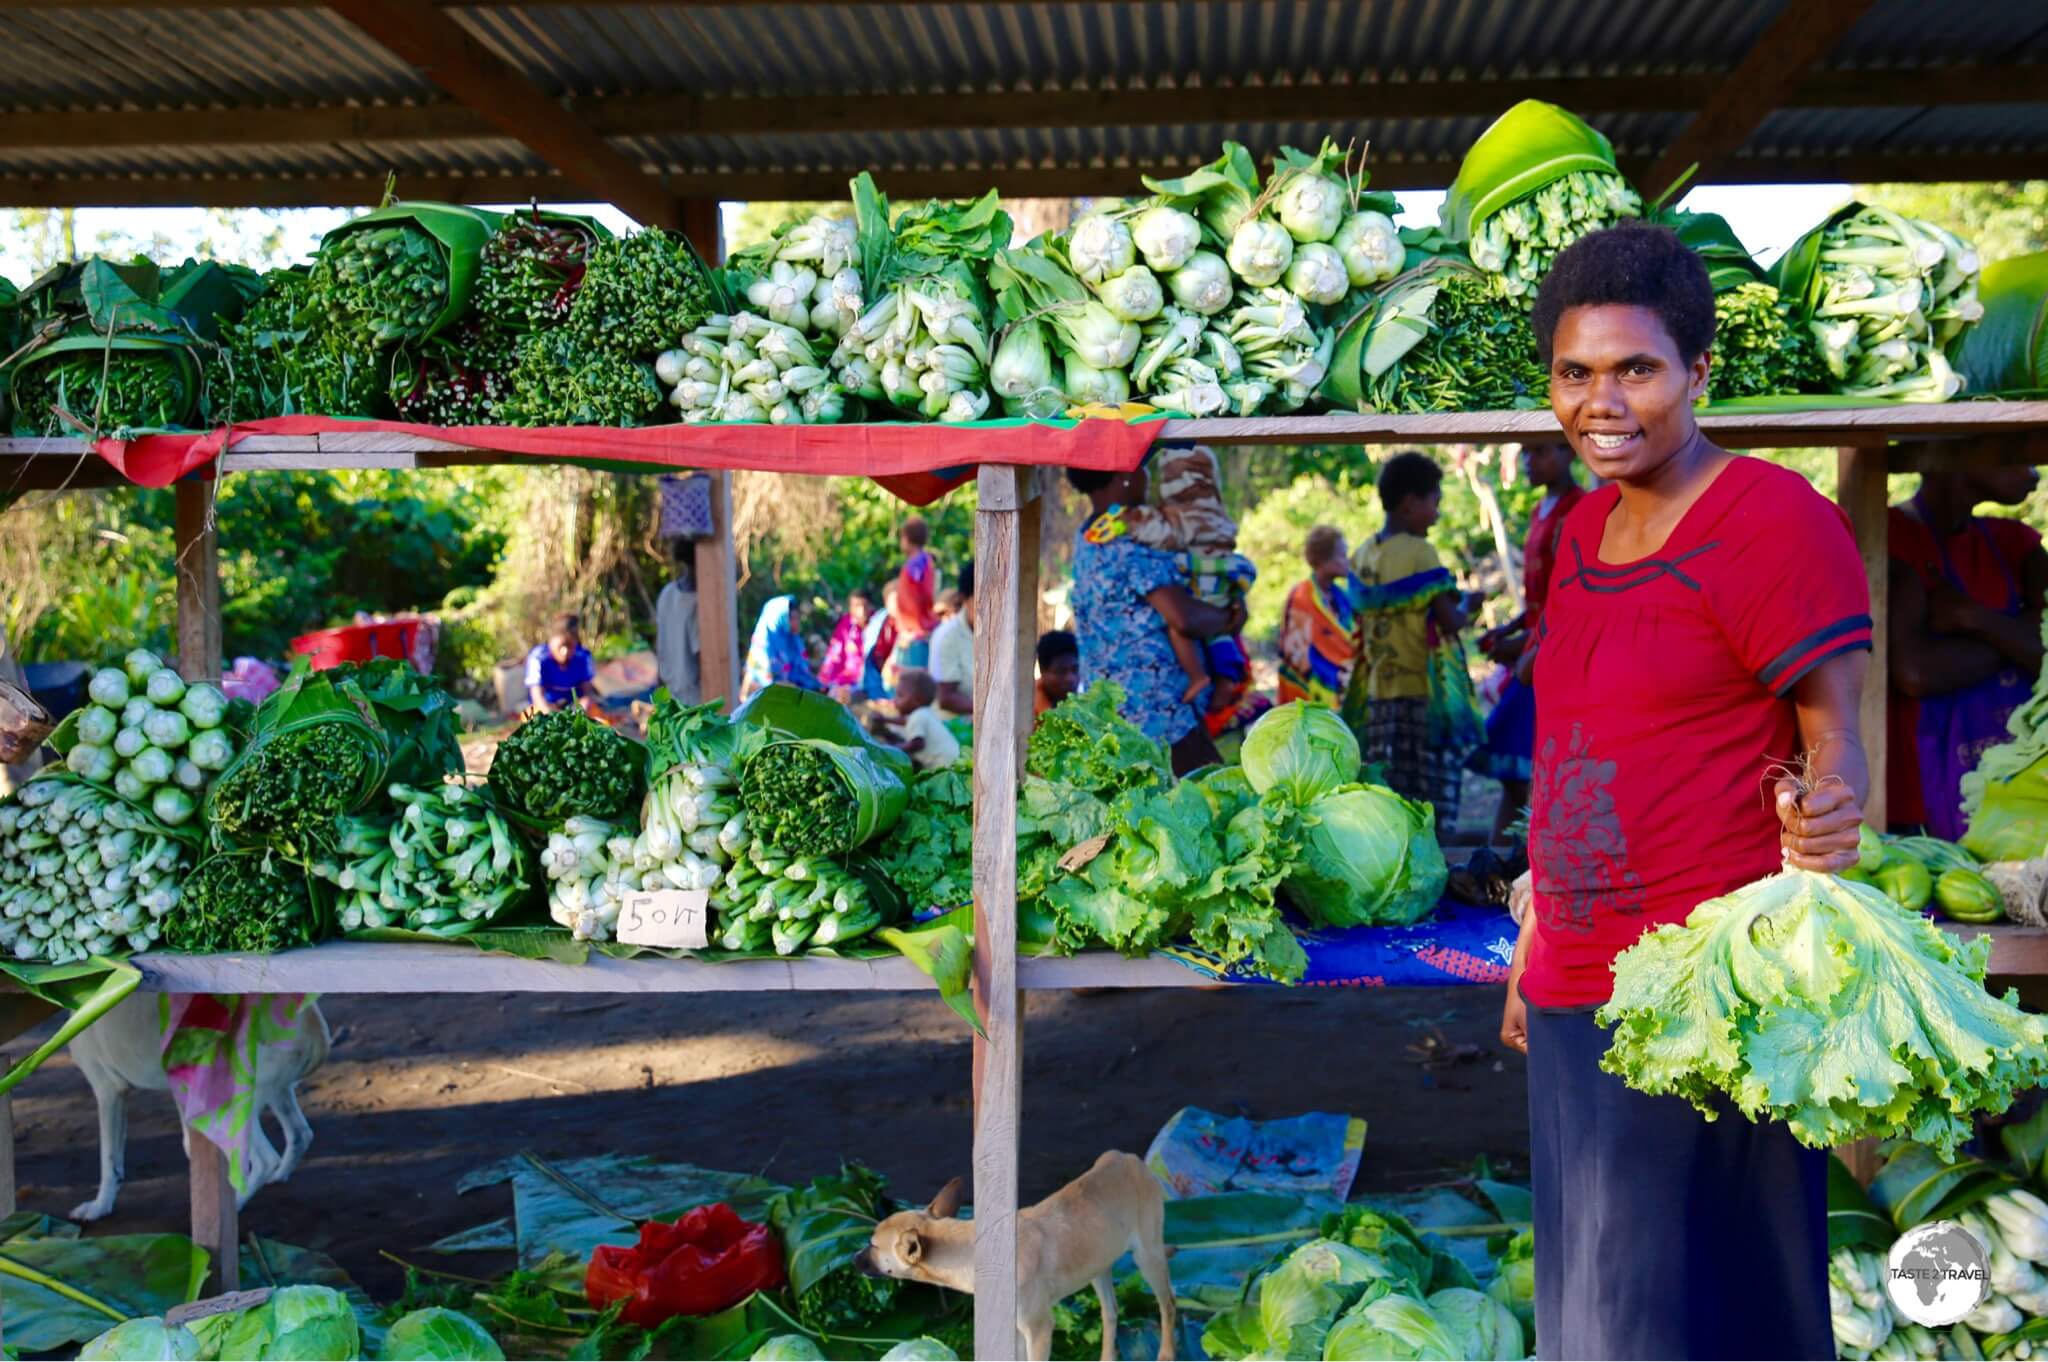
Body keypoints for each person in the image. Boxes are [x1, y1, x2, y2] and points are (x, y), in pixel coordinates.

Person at [1498, 223, 1870, 1362]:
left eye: (1634, 369)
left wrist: (1826, 818)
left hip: (1708, 1003)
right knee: (1592, 1319)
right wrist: (1529, 945)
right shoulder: (1577, 532)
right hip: (1572, 991)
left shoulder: (1769, 522)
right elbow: (1575, 744)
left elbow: (1833, 740)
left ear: (1697, 373)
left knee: (1692, 1322)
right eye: (1573, 373)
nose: (1598, 401)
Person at [1888, 458, 2048, 836]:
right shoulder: (1888, 536)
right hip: (1914, 792)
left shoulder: (2016, 543)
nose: (2034, 471)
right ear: (1952, 453)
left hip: (2015, 788)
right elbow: (1915, 673)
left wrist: (1974, 619)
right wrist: (2014, 635)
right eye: (2013, 451)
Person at [1067, 465, 1246, 776]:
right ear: (1123, 477)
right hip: (1157, 710)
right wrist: (1229, 617)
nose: (1147, 478)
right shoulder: (1128, 544)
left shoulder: (1090, 535)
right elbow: (1184, 617)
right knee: (1211, 791)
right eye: (1142, 470)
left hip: (1117, 705)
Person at [1348, 452, 1482, 824]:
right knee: (1428, 800)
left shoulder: (1361, 554)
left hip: (1378, 694)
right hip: (1422, 693)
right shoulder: (1420, 553)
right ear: (1410, 504)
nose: (1437, 515)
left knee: (1390, 795)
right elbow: (1449, 620)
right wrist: (1471, 604)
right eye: (1435, 503)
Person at [1470, 441, 1585, 837]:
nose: (1530, 462)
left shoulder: (1578, 510)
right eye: (1527, 454)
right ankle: (1505, 858)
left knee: (1533, 770)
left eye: (1541, 452)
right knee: (1517, 774)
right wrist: (1510, 629)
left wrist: (1523, 646)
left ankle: (1524, 856)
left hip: (1556, 651)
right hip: (1537, 640)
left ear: (1569, 453)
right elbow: (1540, 596)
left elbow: (1569, 597)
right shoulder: (1540, 511)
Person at [1109, 445, 1258, 713]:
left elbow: (1157, 533)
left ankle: (1198, 676)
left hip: (1199, 582)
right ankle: (1226, 678)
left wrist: (1130, 521)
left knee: (1180, 627)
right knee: (1221, 632)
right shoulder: (1216, 512)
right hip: (1224, 581)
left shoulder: (1182, 518)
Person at [1276, 524, 1364, 709]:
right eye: (1342, 555)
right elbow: (1297, 652)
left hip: (1343, 680)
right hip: (1310, 686)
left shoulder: (1342, 597)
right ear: (1324, 559)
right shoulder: (1302, 597)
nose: (1347, 561)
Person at [870, 667, 961, 771]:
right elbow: (905, 721)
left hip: (946, 766)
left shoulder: (919, 716)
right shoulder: (924, 713)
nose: (895, 700)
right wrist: (885, 719)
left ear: (918, 699)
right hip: (954, 759)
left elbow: (917, 744)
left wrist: (892, 748)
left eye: (900, 695)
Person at [741, 595, 821, 699]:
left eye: (798, 617)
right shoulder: (763, 645)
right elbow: (763, 682)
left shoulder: (793, 641)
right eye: (792, 618)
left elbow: (802, 675)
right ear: (778, 618)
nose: (797, 622)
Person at [890, 516, 942, 672]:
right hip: (918, 631)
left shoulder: (916, 563)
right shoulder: (926, 560)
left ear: (906, 539)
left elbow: (919, 597)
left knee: (910, 683)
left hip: (914, 633)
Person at [653, 551, 701, 707]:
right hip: (693, 698)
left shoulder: (667, 592)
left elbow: (659, 645)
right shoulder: (696, 602)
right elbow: (703, 657)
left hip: (670, 691)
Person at [525, 613, 597, 714]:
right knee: (531, 715)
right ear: (551, 641)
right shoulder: (538, 657)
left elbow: (587, 692)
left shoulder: (583, 656)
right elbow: (537, 696)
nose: (565, 652)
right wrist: (552, 715)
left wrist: (583, 706)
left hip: (575, 708)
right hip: (547, 707)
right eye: (561, 646)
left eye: (570, 646)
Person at [929, 562, 975, 716]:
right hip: (954, 727)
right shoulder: (947, 636)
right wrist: (992, 710)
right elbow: (946, 698)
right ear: (965, 599)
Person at [819, 587, 878, 704]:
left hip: (871, 681)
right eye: (856, 606)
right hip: (847, 679)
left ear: (871, 606)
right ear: (850, 607)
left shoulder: (878, 624)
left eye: (865, 606)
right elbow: (834, 655)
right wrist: (823, 682)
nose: (861, 611)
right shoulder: (846, 625)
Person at [1035, 630, 1080, 717]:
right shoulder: (1026, 710)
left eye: (1075, 670)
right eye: (1061, 672)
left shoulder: (1084, 709)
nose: (1071, 679)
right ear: (1042, 671)